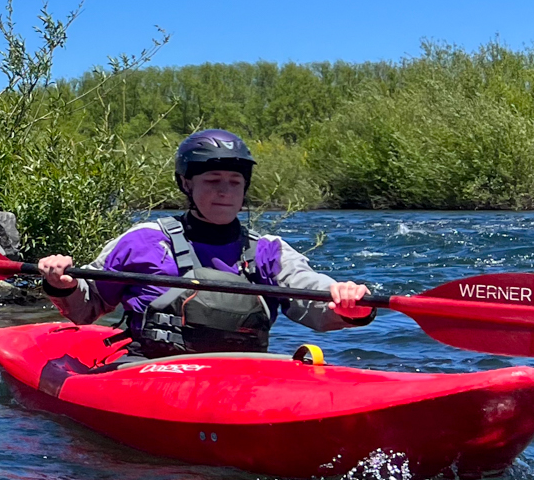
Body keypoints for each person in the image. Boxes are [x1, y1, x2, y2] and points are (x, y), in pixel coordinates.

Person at [36, 129, 373, 357]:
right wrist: (63, 284)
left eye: (234, 181)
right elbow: (86, 308)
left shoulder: (268, 251)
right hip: (147, 371)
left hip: (240, 377)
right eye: (212, 180)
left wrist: (351, 305)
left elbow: (317, 305)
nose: (224, 191)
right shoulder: (145, 241)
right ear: (186, 183)